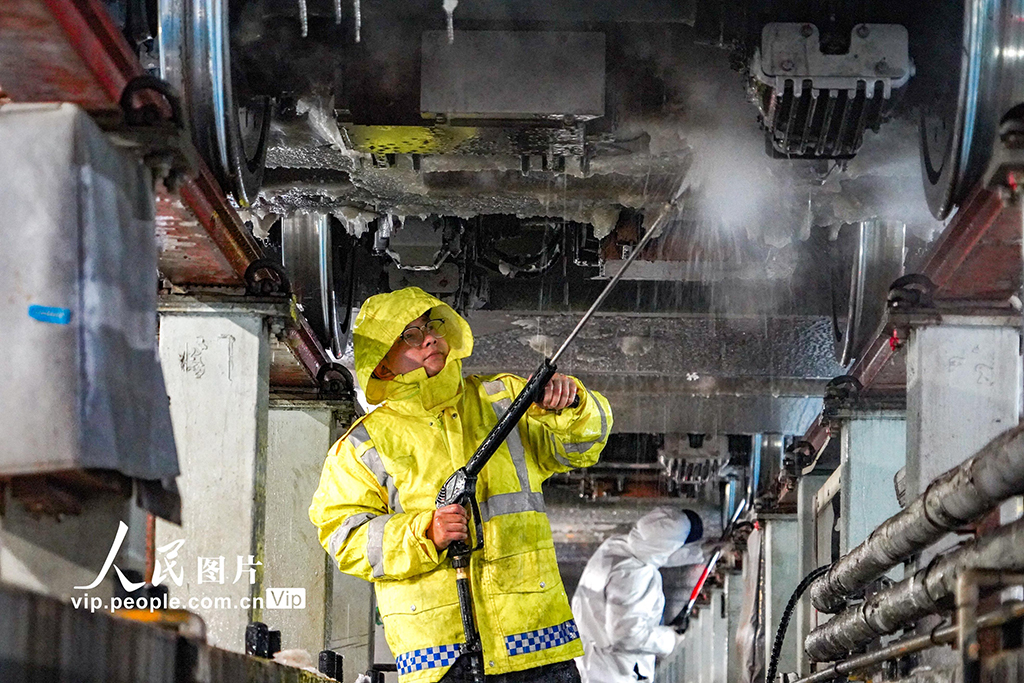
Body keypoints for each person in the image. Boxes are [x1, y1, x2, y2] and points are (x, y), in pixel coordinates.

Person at [309, 287, 613, 683]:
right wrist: (424, 533)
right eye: (410, 336)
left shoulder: (503, 399)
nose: (430, 338)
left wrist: (573, 406)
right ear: (381, 365)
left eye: (431, 327)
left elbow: (582, 448)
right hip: (442, 659)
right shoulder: (362, 444)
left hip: (536, 645)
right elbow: (342, 537)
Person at [571, 507, 705, 683]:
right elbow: (628, 636)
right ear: (670, 545)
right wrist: (671, 638)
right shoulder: (634, 576)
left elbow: (657, 552)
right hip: (614, 673)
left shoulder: (617, 547)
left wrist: (704, 553)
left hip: (591, 661)